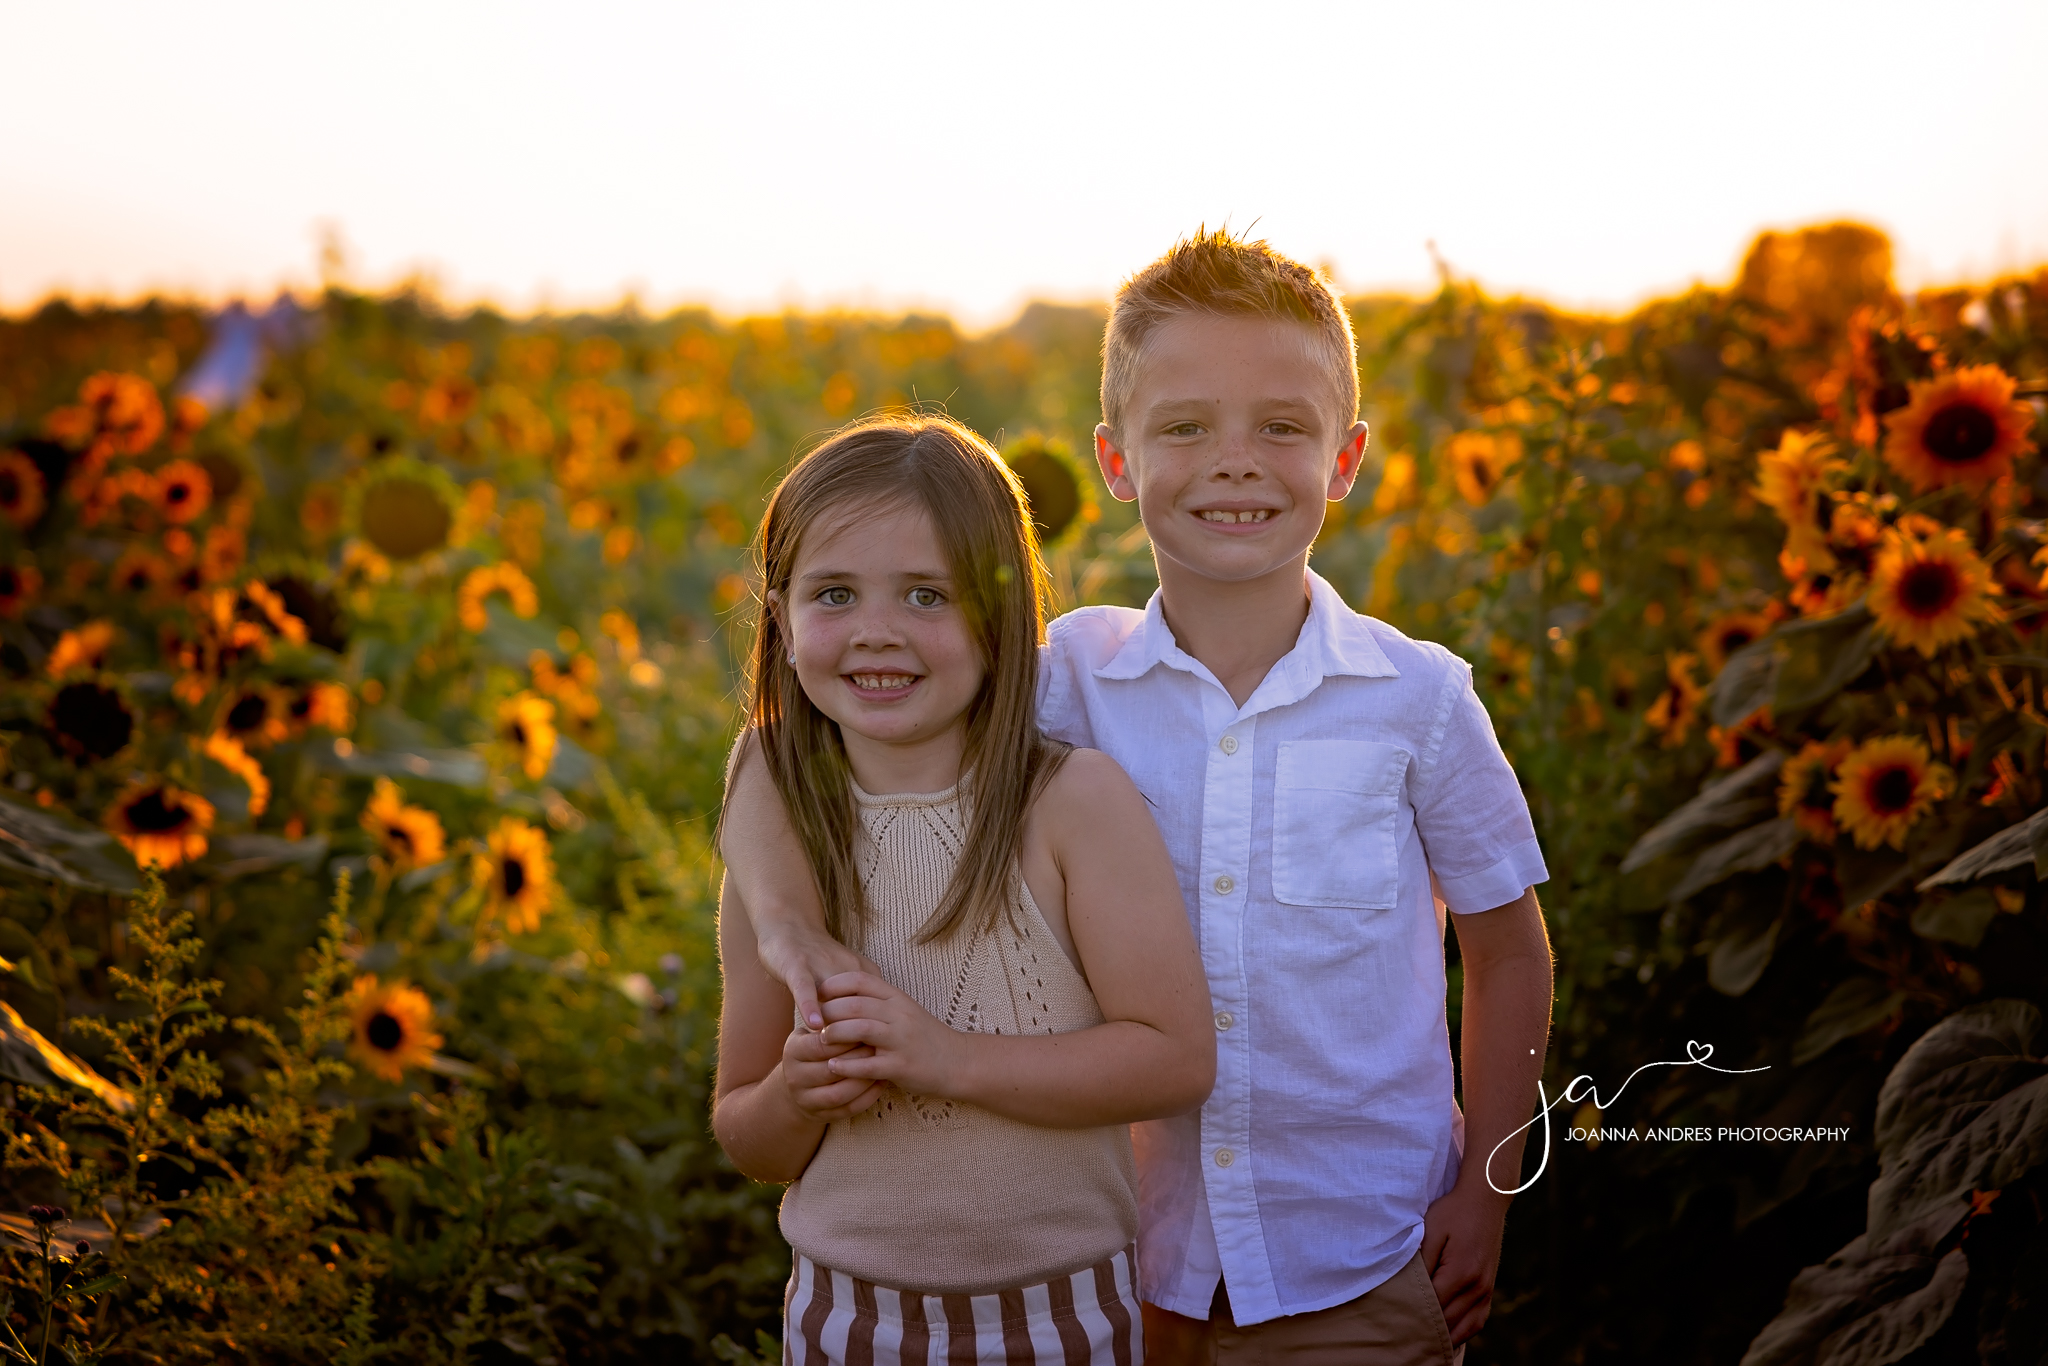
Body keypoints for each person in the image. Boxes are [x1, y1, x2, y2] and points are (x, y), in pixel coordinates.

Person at [724, 232, 1558, 1365]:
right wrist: (782, 925)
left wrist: (1487, 1192)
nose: (1232, 461)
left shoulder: (1415, 700)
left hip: (1364, 1254)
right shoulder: (1060, 682)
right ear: (1116, 461)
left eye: (1280, 425)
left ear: (1347, 456)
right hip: (1126, 1266)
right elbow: (789, 756)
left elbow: (1507, 953)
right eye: (1183, 427)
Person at [712, 415, 1216, 1364]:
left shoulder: (1069, 805)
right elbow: (748, 1137)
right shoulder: (785, 836)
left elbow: (1175, 1061)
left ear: (1002, 615)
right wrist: (796, 1091)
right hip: (840, 1319)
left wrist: (946, 1059)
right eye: (833, 594)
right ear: (779, 623)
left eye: (925, 595)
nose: (876, 633)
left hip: (1060, 1319)